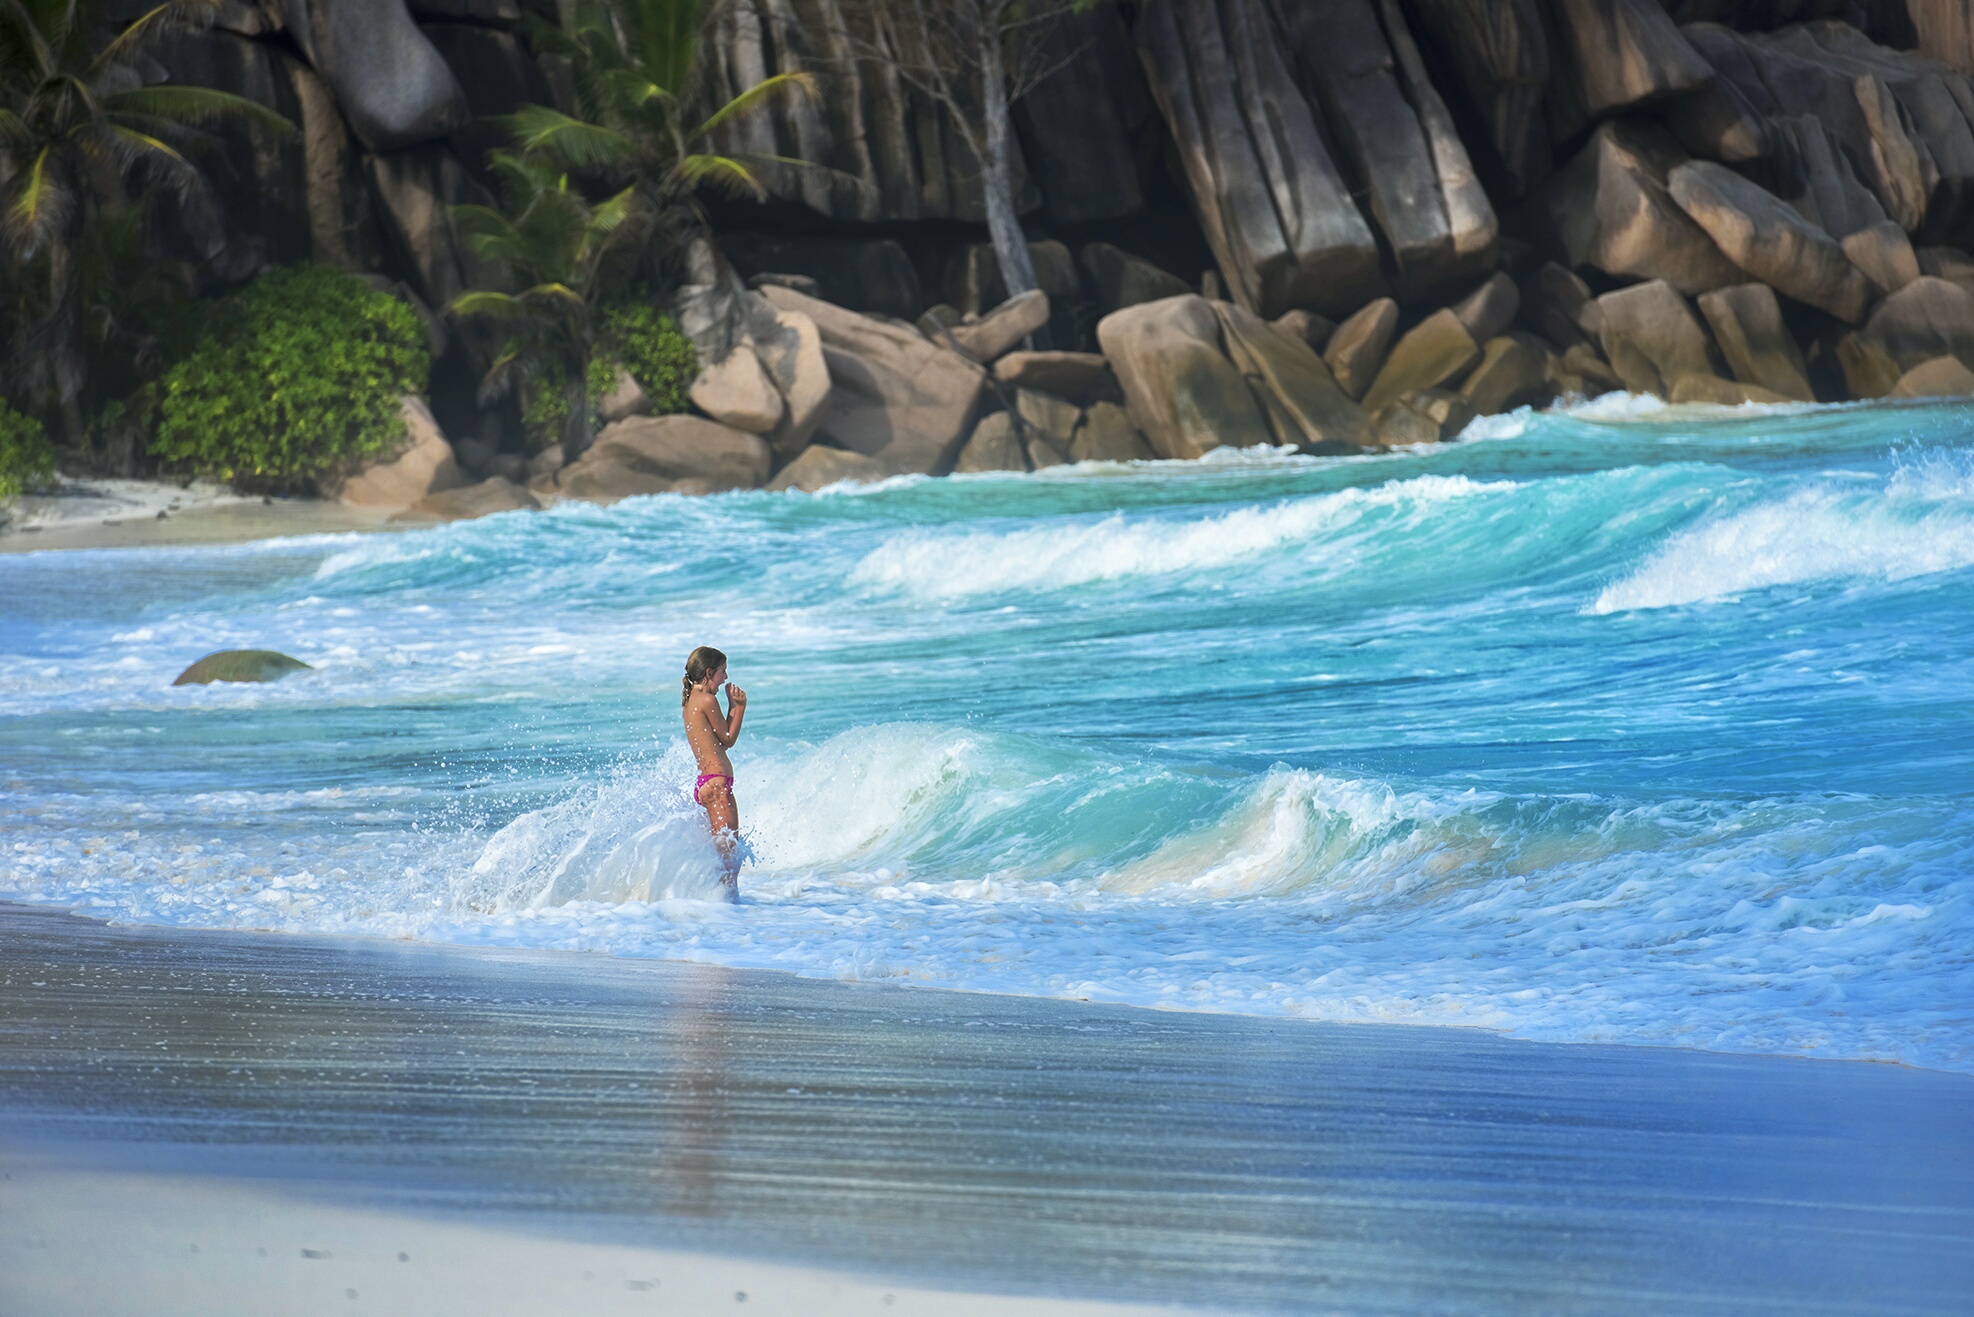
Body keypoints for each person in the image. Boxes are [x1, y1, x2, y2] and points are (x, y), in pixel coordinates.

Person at [682, 645, 746, 898]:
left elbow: (716, 742)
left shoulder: (690, 700)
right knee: (729, 860)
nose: (726, 678)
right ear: (709, 672)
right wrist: (738, 706)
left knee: (722, 856)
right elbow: (728, 739)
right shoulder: (707, 700)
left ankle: (718, 908)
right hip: (718, 786)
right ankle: (728, 913)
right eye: (722, 671)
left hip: (708, 783)